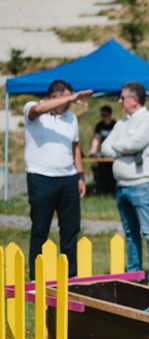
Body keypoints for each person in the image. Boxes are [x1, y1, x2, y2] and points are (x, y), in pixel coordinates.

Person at [23, 80, 91, 279]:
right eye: (67, 98)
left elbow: (75, 147)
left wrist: (80, 176)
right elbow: (37, 109)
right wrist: (72, 96)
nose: (72, 103)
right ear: (54, 96)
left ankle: (70, 277)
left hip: (68, 179)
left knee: (70, 231)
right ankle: (37, 278)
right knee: (40, 229)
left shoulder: (71, 118)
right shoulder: (33, 110)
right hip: (41, 179)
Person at [101, 82, 149, 288]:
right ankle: (135, 273)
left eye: (122, 98)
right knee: (130, 233)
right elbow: (104, 146)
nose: (119, 102)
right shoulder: (121, 123)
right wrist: (121, 150)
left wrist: (118, 148)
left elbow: (133, 145)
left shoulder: (148, 121)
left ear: (134, 100)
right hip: (122, 185)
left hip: (142, 185)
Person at [88, 105, 117, 194]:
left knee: (112, 172)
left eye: (105, 115)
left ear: (110, 114)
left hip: (114, 153)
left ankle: (113, 189)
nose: (103, 117)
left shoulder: (115, 125)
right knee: (102, 171)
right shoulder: (99, 125)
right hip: (103, 153)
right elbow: (96, 138)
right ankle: (103, 189)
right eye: (102, 115)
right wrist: (93, 149)